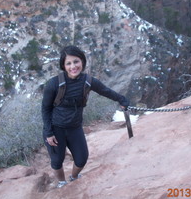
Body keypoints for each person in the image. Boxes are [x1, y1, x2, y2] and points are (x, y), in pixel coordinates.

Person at [41, 45, 129, 188]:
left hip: (75, 127)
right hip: (56, 128)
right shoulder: (54, 84)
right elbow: (45, 109)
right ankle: (62, 182)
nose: (73, 66)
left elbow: (105, 91)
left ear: (82, 61)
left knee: (81, 159)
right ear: (63, 65)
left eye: (76, 61)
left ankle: (74, 177)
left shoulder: (88, 81)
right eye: (68, 63)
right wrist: (49, 132)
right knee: (57, 160)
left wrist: (122, 100)